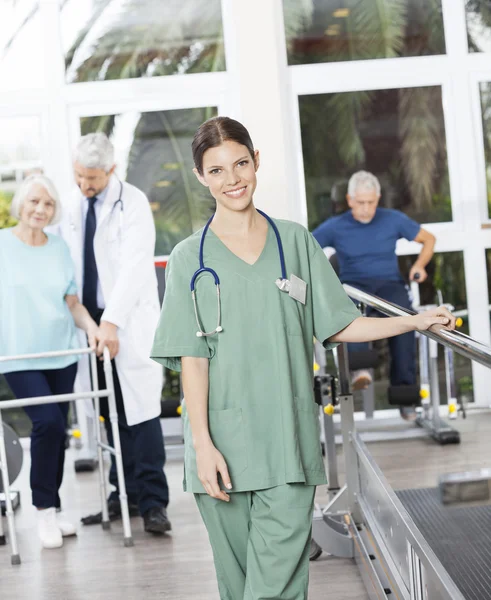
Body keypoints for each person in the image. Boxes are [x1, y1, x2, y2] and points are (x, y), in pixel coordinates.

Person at [150, 117, 454, 599]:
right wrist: (202, 445)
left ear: (256, 161)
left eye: (241, 164)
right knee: (239, 584)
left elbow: (338, 323)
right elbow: (193, 357)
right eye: (217, 170)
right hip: (219, 447)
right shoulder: (191, 258)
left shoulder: (295, 242)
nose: (232, 179)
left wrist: (411, 321)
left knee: (274, 585)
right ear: (201, 177)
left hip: (286, 440)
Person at [59, 133, 171, 534]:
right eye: (78, 176)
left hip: (125, 319)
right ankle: (120, 496)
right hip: (90, 323)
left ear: (112, 170)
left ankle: (154, 502)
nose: (84, 185)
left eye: (92, 178)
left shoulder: (134, 203)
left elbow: (136, 266)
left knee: (140, 412)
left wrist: (112, 323)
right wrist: (91, 323)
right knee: (107, 414)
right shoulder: (74, 206)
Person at [0, 174, 100, 549]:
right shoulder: (2, 246)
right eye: (34, 202)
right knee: (48, 423)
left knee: (58, 433)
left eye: (48, 204)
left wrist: (92, 328)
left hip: (61, 353)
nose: (41, 210)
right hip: (19, 356)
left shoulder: (58, 249)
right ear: (20, 206)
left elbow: (71, 303)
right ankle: (43, 510)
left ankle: (53, 507)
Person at [313, 170, 436, 420]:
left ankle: (405, 398)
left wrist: (419, 266)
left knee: (407, 322)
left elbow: (429, 239)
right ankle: (361, 373)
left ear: (378, 199)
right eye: (360, 203)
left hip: (389, 286)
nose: (366, 208)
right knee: (349, 312)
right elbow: (306, 248)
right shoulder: (336, 227)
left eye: (371, 202)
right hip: (354, 286)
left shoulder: (392, 219)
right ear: (349, 200)